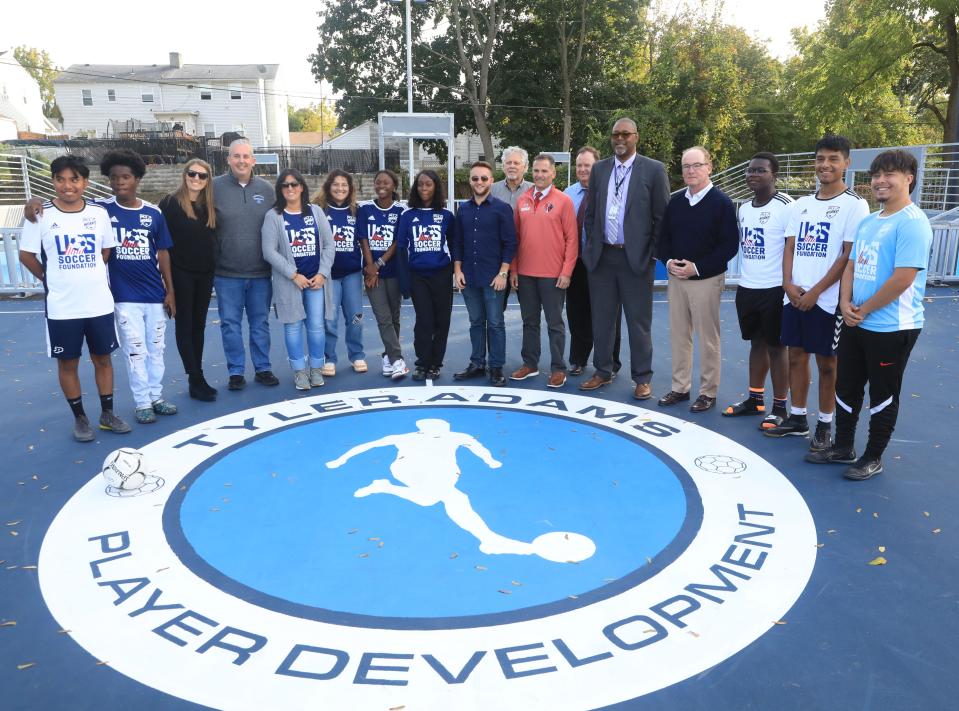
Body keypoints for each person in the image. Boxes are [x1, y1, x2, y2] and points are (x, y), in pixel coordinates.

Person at [807, 149, 932, 480]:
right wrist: (845, 303)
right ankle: (843, 446)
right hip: (854, 320)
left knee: (883, 393)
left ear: (909, 179)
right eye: (876, 175)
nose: (880, 181)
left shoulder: (913, 223)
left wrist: (864, 310)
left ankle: (873, 456)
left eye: (889, 174)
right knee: (846, 386)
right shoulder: (868, 222)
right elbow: (850, 264)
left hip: (892, 327)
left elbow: (903, 278)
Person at [764, 134, 870, 450]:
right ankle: (797, 418)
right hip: (794, 296)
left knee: (827, 364)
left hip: (827, 301)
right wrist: (788, 284)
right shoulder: (801, 206)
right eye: (821, 158)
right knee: (796, 357)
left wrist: (816, 292)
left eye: (833, 159)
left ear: (846, 164)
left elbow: (847, 256)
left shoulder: (855, 205)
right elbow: (790, 247)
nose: (825, 164)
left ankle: (825, 425)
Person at [18, 155, 131, 441]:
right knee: (68, 363)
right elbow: (26, 255)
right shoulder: (40, 215)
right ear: (53, 181)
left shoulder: (98, 214)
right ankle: (80, 418)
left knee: (102, 359)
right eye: (61, 179)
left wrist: (88, 271)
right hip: (62, 306)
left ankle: (107, 414)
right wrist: (48, 277)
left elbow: (106, 251)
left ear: (85, 182)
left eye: (74, 179)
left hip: (98, 303)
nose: (68, 186)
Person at [582, 118, 670, 400]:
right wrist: (593, 248)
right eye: (615, 135)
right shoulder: (600, 169)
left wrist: (650, 256)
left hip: (636, 260)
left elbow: (662, 218)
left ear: (636, 137)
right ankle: (603, 370)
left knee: (638, 323)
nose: (619, 139)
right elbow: (591, 214)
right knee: (602, 321)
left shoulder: (654, 170)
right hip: (603, 258)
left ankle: (642, 377)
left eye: (625, 134)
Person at [97, 150, 178, 424]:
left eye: (126, 177)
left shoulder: (152, 213)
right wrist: (37, 202)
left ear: (137, 179)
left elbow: (164, 253)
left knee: (157, 349)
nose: (120, 182)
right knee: (135, 350)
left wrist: (170, 290)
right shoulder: (100, 210)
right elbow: (67, 204)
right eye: (114, 177)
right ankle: (142, 402)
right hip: (123, 296)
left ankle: (156, 396)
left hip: (154, 294)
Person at [656, 146, 739, 412]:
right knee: (679, 336)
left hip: (706, 280)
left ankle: (707, 392)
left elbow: (729, 246)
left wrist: (698, 268)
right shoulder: (676, 202)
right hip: (677, 280)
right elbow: (663, 239)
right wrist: (669, 262)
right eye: (686, 166)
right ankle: (680, 388)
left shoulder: (722, 204)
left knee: (708, 338)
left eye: (696, 165)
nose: (690, 171)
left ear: (709, 167)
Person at [722, 152, 794, 430]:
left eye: (760, 170)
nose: (753, 174)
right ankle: (755, 400)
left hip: (775, 288)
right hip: (748, 287)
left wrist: (789, 285)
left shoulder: (787, 206)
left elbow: (793, 248)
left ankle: (780, 407)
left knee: (777, 346)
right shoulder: (744, 209)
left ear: (773, 175)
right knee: (756, 344)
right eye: (750, 170)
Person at [213, 138, 279, 391]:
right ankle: (236, 372)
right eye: (236, 156)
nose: (241, 160)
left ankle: (263, 368)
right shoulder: (214, 187)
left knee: (260, 323)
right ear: (228, 159)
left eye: (246, 156)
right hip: (226, 272)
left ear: (253, 160)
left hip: (260, 273)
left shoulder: (267, 189)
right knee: (230, 324)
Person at [261, 169, 335, 390]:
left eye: (294, 184)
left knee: (316, 327)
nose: (290, 188)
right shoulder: (273, 216)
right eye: (285, 185)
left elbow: (330, 245)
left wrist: (322, 273)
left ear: (302, 186)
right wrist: (293, 275)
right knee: (292, 328)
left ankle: (316, 368)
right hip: (289, 283)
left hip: (316, 282)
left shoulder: (316, 212)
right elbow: (269, 251)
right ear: (280, 189)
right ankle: (299, 371)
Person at [509, 153, 578, 388]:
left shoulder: (564, 201)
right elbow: (516, 239)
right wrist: (515, 270)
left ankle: (558, 368)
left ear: (553, 173)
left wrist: (567, 271)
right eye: (536, 171)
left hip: (553, 275)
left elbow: (572, 240)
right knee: (529, 321)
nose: (539, 175)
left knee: (555, 323)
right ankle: (530, 364)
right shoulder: (523, 200)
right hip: (526, 274)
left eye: (544, 171)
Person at [452, 160, 517, 387]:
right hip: (469, 277)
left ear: (491, 180)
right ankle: (477, 363)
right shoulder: (464, 209)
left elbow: (510, 244)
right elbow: (457, 242)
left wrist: (503, 273)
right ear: (470, 181)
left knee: (496, 323)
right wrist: (457, 270)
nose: (479, 182)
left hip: (493, 278)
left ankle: (496, 367)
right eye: (475, 178)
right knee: (476, 322)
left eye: (483, 178)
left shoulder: (502, 208)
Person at [159, 159, 218, 401]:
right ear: (185, 175)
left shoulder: (210, 206)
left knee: (198, 326)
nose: (196, 179)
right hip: (180, 274)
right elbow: (161, 243)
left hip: (205, 274)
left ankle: (199, 375)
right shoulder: (170, 204)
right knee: (184, 326)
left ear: (207, 181)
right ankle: (194, 378)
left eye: (202, 176)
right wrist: (168, 286)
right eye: (192, 174)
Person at [564, 145, 622, 377]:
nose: (582, 169)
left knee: (608, 316)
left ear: (597, 166)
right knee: (577, 314)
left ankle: (611, 362)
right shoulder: (567, 194)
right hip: (576, 262)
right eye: (579, 165)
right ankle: (578, 359)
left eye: (587, 165)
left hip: (603, 262)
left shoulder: (611, 192)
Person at [396, 169, 457, 381]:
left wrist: (456, 272)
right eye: (420, 184)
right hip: (418, 276)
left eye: (428, 184)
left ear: (436, 187)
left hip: (441, 274)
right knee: (424, 321)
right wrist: (405, 282)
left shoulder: (447, 215)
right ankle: (422, 363)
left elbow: (454, 245)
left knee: (442, 321)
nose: (424, 188)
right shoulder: (407, 215)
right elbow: (402, 249)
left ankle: (435, 364)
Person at [358, 170, 408, 380]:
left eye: (386, 182)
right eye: (378, 182)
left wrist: (378, 263)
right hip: (372, 274)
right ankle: (398, 360)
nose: (381, 185)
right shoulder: (365, 208)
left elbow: (398, 242)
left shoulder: (401, 210)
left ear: (394, 186)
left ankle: (388, 357)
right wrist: (371, 267)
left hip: (393, 271)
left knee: (394, 316)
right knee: (383, 316)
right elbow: (364, 239)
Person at [317, 169, 366, 376]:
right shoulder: (319, 210)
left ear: (350, 188)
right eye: (336, 184)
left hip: (352, 273)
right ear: (328, 187)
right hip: (328, 275)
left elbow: (364, 241)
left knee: (356, 316)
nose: (340, 188)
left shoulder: (357, 211)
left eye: (344, 185)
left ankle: (357, 355)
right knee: (330, 318)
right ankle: (330, 357)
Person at [490, 146, 534, 211]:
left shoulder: (534, 190)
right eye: (508, 163)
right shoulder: (492, 189)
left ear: (525, 167)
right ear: (503, 166)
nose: (512, 166)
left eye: (516, 163)